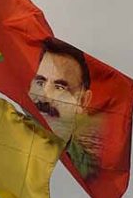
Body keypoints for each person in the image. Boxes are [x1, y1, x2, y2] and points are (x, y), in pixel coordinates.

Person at [29, 38, 101, 178]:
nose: (45, 96)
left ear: (82, 101)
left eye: (60, 88)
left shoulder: (89, 172)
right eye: (40, 82)